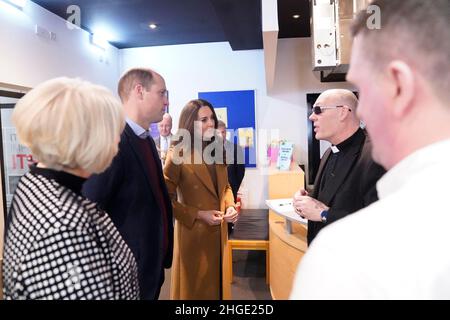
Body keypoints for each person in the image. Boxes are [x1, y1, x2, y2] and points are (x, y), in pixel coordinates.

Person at [291, 0, 450, 299]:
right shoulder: (329, 153)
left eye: (364, 89)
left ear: (399, 86)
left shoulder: (343, 259)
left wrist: (324, 215)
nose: (361, 109)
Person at [2, 77, 139, 299]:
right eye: (112, 131)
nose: (117, 141)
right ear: (85, 138)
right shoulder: (64, 226)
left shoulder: (36, 185)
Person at [82, 68, 173, 300]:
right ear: (139, 91)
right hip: (124, 273)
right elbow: (89, 210)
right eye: (162, 93)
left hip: (149, 267)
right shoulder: (112, 141)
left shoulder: (145, 140)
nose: (166, 101)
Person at [164, 99, 238, 300]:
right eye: (203, 119)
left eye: (212, 118)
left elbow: (226, 187)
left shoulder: (218, 148)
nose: (210, 123)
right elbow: (164, 200)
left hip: (219, 234)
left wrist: (230, 205)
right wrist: (198, 214)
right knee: (196, 293)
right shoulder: (177, 153)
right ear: (190, 123)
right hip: (193, 237)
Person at [292, 89, 385, 245]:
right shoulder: (329, 152)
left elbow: (380, 223)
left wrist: (323, 214)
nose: (311, 116)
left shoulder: (375, 156)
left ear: (342, 112)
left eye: (318, 110)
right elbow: (333, 198)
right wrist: (305, 202)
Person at [217, 120, 245, 202]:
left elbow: (240, 173)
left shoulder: (237, 149)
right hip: (214, 196)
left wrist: (234, 189)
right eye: (218, 133)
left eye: (223, 132)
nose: (221, 135)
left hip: (231, 194)